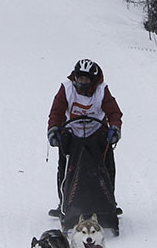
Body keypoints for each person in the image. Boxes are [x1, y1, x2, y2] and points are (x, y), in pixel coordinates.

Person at [46, 58, 122, 218]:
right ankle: (64, 203)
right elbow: (57, 111)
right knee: (65, 166)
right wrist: (53, 129)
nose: (82, 81)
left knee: (106, 165)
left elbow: (114, 112)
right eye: (80, 78)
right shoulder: (66, 88)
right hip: (72, 133)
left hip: (96, 133)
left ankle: (109, 203)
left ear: (93, 80)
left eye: (86, 79)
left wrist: (115, 128)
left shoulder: (102, 90)